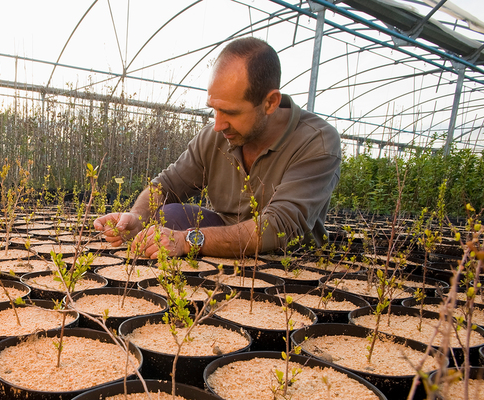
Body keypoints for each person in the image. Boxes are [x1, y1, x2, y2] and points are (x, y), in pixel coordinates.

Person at [93, 37, 341, 259]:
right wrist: (137, 218)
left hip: (289, 257)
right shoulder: (216, 137)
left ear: (270, 102)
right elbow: (165, 185)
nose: (218, 125)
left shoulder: (317, 142)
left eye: (230, 112)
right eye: (214, 108)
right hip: (222, 237)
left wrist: (188, 240)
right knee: (166, 214)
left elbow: (277, 227)